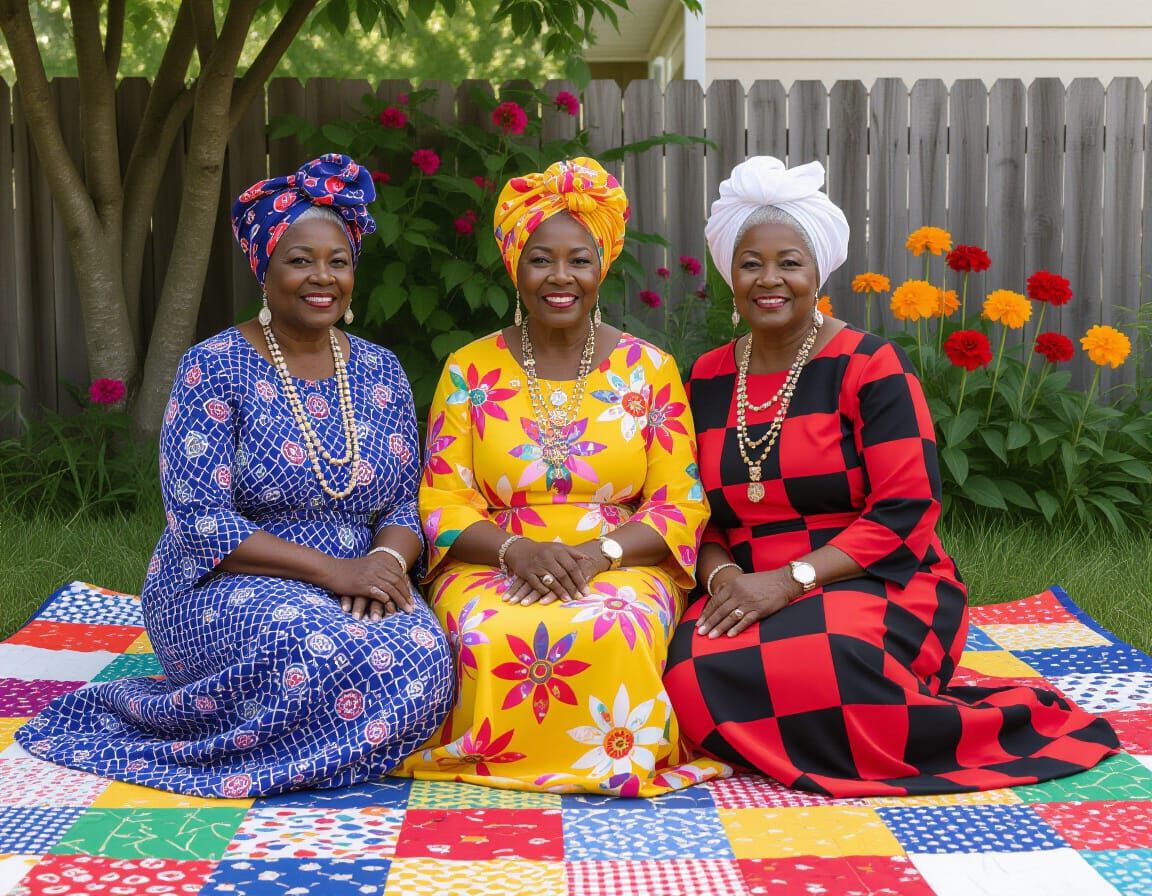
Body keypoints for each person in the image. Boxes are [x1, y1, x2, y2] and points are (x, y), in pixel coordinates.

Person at [664, 156, 1118, 797]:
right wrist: (725, 580)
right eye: (750, 264)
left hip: (876, 577)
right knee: (686, 669)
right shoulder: (705, 377)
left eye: (789, 262)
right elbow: (694, 511)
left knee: (824, 658)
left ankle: (985, 729)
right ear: (729, 277)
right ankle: (810, 739)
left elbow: (906, 509)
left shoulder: (870, 365)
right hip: (746, 583)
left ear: (817, 272)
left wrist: (790, 581)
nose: (769, 279)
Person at [16, 154, 454, 798]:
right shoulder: (214, 366)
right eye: (300, 260)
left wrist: (385, 565)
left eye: (338, 261)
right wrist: (335, 573)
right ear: (264, 268)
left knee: (424, 652)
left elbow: (402, 506)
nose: (322, 277)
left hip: (360, 572)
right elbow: (200, 521)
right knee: (312, 646)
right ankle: (272, 757)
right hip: (225, 578)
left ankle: (314, 749)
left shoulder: (380, 369)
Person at [397, 157, 727, 796]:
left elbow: (680, 502)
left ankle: (616, 758)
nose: (560, 277)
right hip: (495, 555)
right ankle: (492, 756)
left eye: (579, 260)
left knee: (618, 623)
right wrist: (516, 551)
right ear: (514, 267)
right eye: (540, 259)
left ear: (602, 266)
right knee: (486, 628)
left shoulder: (650, 369)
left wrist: (599, 555)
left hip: (622, 557)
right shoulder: (469, 369)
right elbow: (441, 498)